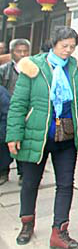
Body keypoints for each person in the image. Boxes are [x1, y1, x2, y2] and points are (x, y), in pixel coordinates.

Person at [5, 27, 78, 249]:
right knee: (30, 182)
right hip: (36, 134)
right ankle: (27, 224)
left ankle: (59, 232)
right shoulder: (34, 67)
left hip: (67, 136)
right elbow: (18, 103)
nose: (68, 50)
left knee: (65, 184)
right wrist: (14, 134)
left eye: (72, 46)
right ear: (53, 44)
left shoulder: (77, 68)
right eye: (64, 46)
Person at [0, 38, 31, 184]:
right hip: (7, 111)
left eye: (25, 51)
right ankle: (3, 171)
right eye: (19, 51)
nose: (23, 54)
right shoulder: (4, 70)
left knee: (24, 144)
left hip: (27, 111)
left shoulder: (32, 69)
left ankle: (23, 173)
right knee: (4, 142)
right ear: (12, 53)